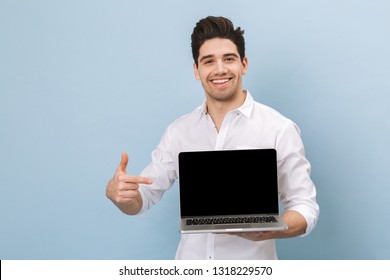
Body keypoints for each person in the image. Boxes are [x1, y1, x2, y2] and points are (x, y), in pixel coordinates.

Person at [106, 16, 319, 260]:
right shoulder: (179, 132)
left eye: (229, 59)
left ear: (244, 64)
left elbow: (305, 207)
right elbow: (141, 199)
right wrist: (121, 196)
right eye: (209, 61)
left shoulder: (279, 128)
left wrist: (271, 230)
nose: (220, 69)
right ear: (197, 70)